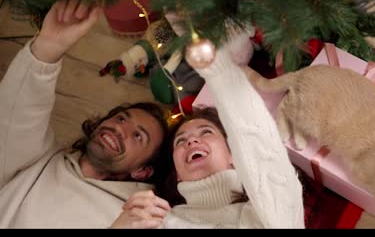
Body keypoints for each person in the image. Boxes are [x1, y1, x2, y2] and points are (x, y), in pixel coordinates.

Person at [0, 0, 171, 228]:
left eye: (138, 136)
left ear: (142, 171)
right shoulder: (39, 161)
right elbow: (18, 114)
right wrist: (47, 49)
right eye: (121, 118)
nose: (121, 128)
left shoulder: (137, 217)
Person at [110, 29, 305, 228]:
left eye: (206, 132)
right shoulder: (155, 221)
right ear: (177, 173)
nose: (191, 141)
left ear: (234, 155)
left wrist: (218, 68)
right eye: (180, 141)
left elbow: (259, 141)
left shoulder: (271, 210)